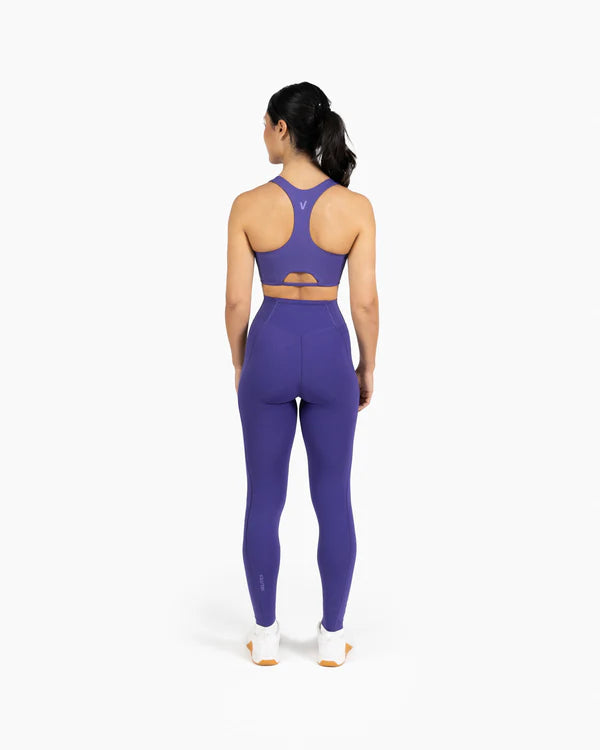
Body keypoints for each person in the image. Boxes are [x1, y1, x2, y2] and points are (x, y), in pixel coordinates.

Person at [225, 82, 378, 666]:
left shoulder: (247, 205)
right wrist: (367, 364)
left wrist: (241, 361)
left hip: (269, 347)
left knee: (264, 497)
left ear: (282, 128)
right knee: (333, 497)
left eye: (265, 124)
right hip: (329, 349)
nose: (261, 134)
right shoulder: (355, 208)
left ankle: (265, 637)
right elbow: (365, 304)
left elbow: (236, 304)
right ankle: (332, 640)